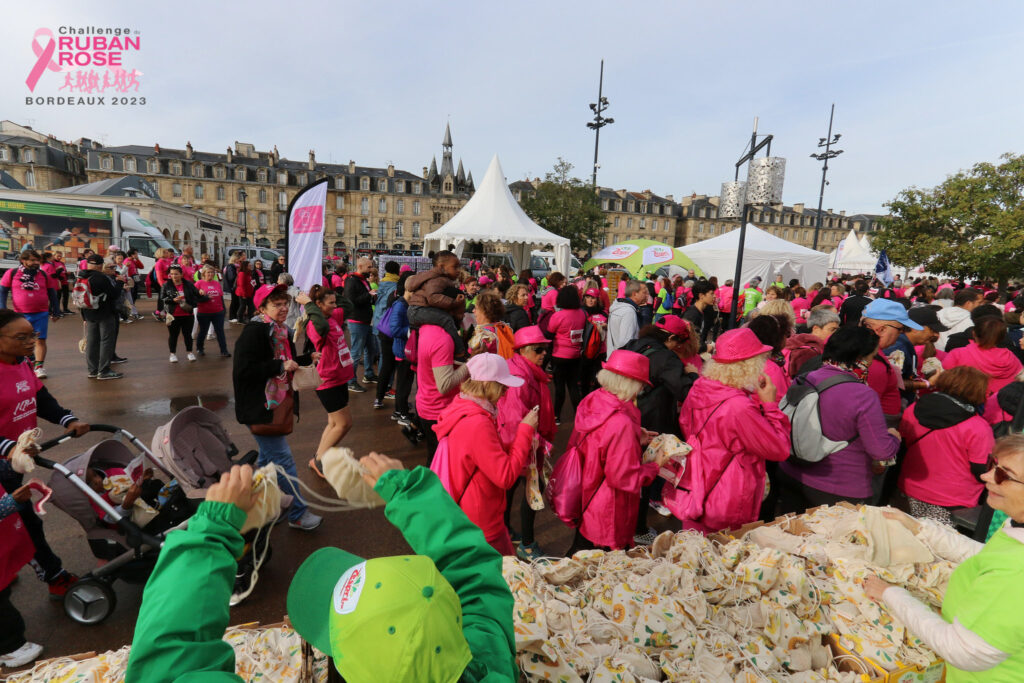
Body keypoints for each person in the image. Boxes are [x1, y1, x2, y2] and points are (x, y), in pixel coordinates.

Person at [126, 456, 520, 682]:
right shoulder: (486, 657)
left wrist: (209, 531)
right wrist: (412, 493)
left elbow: (166, 665)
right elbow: (474, 575)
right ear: (455, 628)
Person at [864, 435, 1024, 681]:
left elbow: (963, 651)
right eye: (993, 465)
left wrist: (891, 594)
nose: (986, 476)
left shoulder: (1017, 572)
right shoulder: (1017, 529)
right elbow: (986, 556)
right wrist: (921, 529)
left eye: (1004, 474)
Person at [0, 310, 90, 607]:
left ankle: (7, 565)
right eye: (21, 337)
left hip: (15, 461)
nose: (31, 342)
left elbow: (40, 399)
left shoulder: (22, 363)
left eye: (32, 336)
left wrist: (68, 419)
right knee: (24, 522)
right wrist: (9, 448)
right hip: (5, 460)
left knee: (11, 522)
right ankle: (54, 575)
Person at [662, 328, 791, 533]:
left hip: (698, 481)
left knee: (695, 549)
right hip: (727, 494)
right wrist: (769, 406)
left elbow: (687, 426)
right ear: (748, 366)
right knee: (722, 552)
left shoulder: (701, 386)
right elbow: (780, 449)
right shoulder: (738, 406)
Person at [776, 326, 902, 513]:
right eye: (872, 357)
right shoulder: (863, 395)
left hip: (791, 473)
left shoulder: (806, 377)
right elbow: (881, 451)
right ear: (860, 358)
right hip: (838, 488)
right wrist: (894, 438)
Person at [232, 284, 322, 531]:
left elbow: (284, 362)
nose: (284, 308)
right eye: (277, 304)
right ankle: (298, 513)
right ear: (262, 307)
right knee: (282, 460)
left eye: (286, 303)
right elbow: (244, 370)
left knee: (268, 462)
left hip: (275, 403)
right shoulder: (255, 331)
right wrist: (279, 366)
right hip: (260, 406)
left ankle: (260, 505)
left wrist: (305, 359)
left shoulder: (280, 329)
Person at [565, 350, 672, 554]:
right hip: (609, 507)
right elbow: (622, 477)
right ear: (630, 383)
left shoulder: (595, 399)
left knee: (580, 553)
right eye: (640, 384)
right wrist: (656, 465)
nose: (641, 389)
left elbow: (597, 442)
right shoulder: (620, 421)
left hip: (588, 493)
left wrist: (634, 435)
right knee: (601, 567)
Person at [435, 353, 538, 555]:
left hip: (475, 512)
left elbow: (484, 452)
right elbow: (506, 477)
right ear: (488, 384)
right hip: (482, 520)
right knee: (503, 577)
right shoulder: (478, 422)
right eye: (502, 385)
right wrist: (525, 431)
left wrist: (513, 446)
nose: (506, 391)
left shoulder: (464, 406)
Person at [623, 315, 700, 543]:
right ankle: (638, 530)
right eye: (679, 343)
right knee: (643, 478)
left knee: (624, 474)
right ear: (672, 338)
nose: (679, 348)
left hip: (625, 415)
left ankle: (628, 523)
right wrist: (693, 374)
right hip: (650, 423)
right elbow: (686, 391)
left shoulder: (633, 344)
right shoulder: (667, 358)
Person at [897, 366, 993, 525]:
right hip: (953, 501)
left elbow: (903, 441)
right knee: (935, 545)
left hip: (909, 490)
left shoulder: (914, 409)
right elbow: (981, 469)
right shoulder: (978, 427)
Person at [498, 326, 556, 560]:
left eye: (545, 349)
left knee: (512, 487)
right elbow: (514, 418)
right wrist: (541, 442)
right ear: (522, 350)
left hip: (522, 442)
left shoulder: (524, 370)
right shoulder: (521, 377)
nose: (543, 354)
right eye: (538, 350)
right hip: (525, 444)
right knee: (533, 491)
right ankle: (528, 544)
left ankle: (505, 529)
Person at [304, 285, 355, 478]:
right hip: (328, 379)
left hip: (339, 376)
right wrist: (310, 305)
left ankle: (318, 457)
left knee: (334, 423)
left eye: (335, 302)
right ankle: (319, 461)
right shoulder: (316, 324)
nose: (335, 306)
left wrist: (330, 296)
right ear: (318, 305)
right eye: (330, 303)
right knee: (344, 424)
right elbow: (322, 327)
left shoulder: (333, 317)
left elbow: (348, 306)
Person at [414, 304, 470, 464]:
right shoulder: (442, 339)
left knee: (435, 457)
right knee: (441, 462)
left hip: (427, 404)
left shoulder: (428, 327)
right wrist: (470, 365)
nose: (465, 311)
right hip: (438, 410)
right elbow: (444, 384)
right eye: (461, 307)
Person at [944, 316, 1024, 424]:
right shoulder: (1011, 357)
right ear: (1001, 338)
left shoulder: (958, 354)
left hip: (967, 410)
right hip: (1002, 413)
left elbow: (945, 380)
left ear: (973, 333)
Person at [860, 299, 922, 426]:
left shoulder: (871, 351)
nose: (901, 333)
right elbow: (866, 414)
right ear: (881, 330)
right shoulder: (871, 361)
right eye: (900, 329)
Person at [0, 250, 59, 379]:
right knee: (20, 340)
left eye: (37, 260)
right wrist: (2, 308)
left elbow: (52, 293)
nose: (36, 263)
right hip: (20, 315)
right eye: (32, 260)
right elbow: (2, 291)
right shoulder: (12, 273)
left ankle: (39, 367)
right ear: (23, 260)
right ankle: (21, 364)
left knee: (40, 340)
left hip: (41, 313)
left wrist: (56, 309)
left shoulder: (43, 274)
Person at [81, 254, 126, 380]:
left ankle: (92, 370)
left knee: (92, 342)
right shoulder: (101, 278)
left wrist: (84, 317)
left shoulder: (81, 276)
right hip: (105, 313)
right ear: (100, 265)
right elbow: (114, 294)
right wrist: (120, 283)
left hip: (88, 313)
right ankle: (104, 370)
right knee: (106, 341)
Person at [548, 285, 586, 424]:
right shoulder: (582, 314)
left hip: (559, 355)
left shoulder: (558, 316)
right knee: (573, 387)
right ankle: (579, 415)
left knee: (559, 388)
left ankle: (557, 416)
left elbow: (549, 334)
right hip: (576, 355)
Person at [343, 256, 379, 389]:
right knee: (356, 352)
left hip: (366, 319)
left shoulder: (363, 280)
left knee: (371, 349)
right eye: (369, 267)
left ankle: (369, 374)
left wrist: (373, 297)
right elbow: (351, 300)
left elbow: (365, 298)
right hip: (357, 320)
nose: (371, 269)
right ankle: (350, 381)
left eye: (371, 266)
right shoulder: (352, 281)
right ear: (360, 266)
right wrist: (368, 295)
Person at [161, 264, 207, 363]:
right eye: (172, 274)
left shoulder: (188, 284)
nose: (174, 276)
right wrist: (172, 300)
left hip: (187, 314)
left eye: (176, 274)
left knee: (187, 335)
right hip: (173, 315)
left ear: (181, 274)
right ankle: (172, 354)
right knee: (173, 335)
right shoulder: (166, 285)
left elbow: (196, 294)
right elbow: (162, 299)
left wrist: (201, 292)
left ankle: (190, 352)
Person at [784, 306, 839, 377]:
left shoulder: (800, 342)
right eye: (832, 329)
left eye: (837, 329)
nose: (836, 333)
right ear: (816, 329)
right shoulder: (808, 352)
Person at [194, 265, 230, 357]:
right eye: (208, 272)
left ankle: (224, 350)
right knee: (203, 331)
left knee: (220, 331)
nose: (210, 274)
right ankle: (200, 348)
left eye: (212, 272)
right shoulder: (199, 283)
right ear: (204, 273)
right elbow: (194, 299)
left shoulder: (216, 283)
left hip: (218, 312)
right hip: (204, 312)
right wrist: (205, 298)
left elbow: (220, 297)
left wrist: (224, 309)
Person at [607, 280, 646, 352]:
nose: (646, 295)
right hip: (623, 359)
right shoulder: (629, 312)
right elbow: (626, 343)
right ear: (635, 294)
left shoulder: (620, 306)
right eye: (644, 292)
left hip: (614, 356)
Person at [683, 280, 718, 353]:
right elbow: (687, 340)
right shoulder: (692, 314)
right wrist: (706, 347)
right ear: (701, 296)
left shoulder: (701, 312)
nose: (714, 296)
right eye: (712, 293)